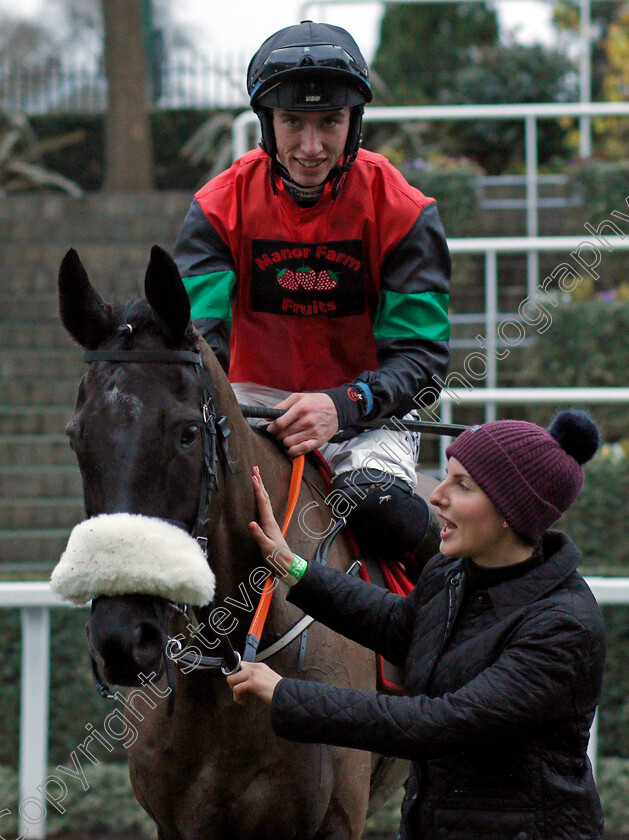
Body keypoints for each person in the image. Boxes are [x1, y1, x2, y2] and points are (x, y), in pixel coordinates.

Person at [227, 409, 606, 840]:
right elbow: (399, 626)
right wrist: (292, 567)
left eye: (462, 486)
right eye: (445, 476)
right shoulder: (452, 573)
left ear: (510, 513)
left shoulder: (564, 626)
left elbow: (438, 725)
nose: (437, 496)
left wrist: (283, 693)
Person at [173, 20, 451, 572]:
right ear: (265, 123)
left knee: (372, 502)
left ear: (355, 123)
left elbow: (421, 361)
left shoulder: (405, 211)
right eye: (292, 121)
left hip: (366, 410)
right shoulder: (216, 208)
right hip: (248, 403)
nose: (310, 146)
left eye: (330, 121)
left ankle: (456, 606)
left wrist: (341, 406)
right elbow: (195, 345)